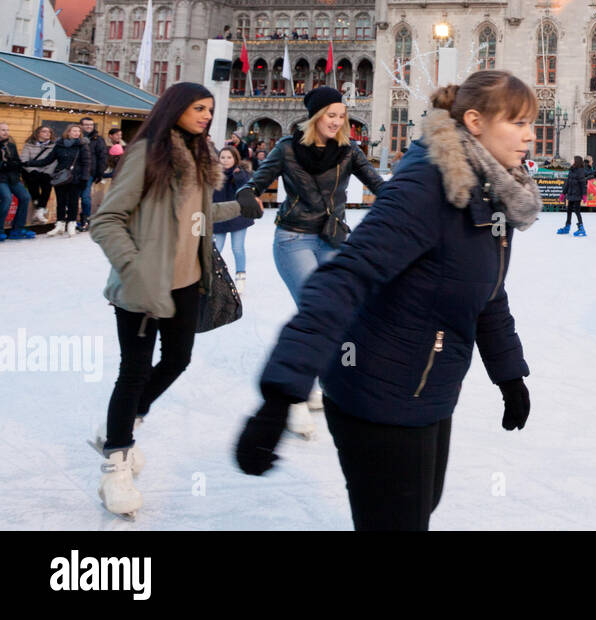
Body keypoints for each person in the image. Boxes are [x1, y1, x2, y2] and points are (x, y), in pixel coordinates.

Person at [234, 72, 542, 531]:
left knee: (416, 509)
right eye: (517, 122)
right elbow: (342, 278)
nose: (530, 135)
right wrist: (280, 394)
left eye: (531, 123)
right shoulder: (427, 188)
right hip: (377, 393)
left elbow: (486, 290)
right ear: (474, 121)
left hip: (428, 387)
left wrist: (509, 373)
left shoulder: (488, 185)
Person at [89, 82, 262, 518]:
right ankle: (116, 465)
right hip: (142, 286)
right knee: (133, 372)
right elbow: (107, 220)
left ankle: (120, 426)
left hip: (186, 281)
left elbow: (197, 217)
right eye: (198, 107)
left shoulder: (199, 157)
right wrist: (137, 269)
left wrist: (239, 208)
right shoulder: (148, 152)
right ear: (175, 108)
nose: (206, 115)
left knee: (178, 358)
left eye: (210, 108)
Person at [236, 86, 386, 437]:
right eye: (330, 115)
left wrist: (412, 197)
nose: (336, 121)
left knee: (341, 314)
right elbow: (256, 183)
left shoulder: (350, 152)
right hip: (294, 239)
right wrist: (246, 193)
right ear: (315, 117)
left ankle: (326, 382)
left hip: (333, 239)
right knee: (316, 313)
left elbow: (380, 185)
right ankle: (295, 397)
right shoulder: (286, 149)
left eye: (341, 115)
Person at [213, 146, 254, 293]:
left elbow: (247, 189)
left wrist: (239, 176)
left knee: (237, 248)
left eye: (229, 157)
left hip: (237, 215)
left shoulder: (242, 174)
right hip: (218, 216)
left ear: (235, 158)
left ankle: (240, 276)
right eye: (222, 157)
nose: (225, 161)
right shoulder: (214, 174)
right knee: (216, 248)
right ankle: (213, 276)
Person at [50, 124, 93, 237]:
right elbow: (49, 159)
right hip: (60, 177)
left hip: (76, 178)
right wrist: (29, 163)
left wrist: (84, 178)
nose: (76, 133)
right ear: (68, 132)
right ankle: (59, 225)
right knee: (61, 202)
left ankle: (71, 225)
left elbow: (86, 163)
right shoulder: (59, 145)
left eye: (78, 131)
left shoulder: (82, 145)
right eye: (74, 131)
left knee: (73, 202)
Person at [0, 123, 36, 240]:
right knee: (7, 198)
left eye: (7, 130)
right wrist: (6, 164)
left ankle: (17, 228)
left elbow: (16, 161)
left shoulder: (11, 145)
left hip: (13, 178)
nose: (5, 132)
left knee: (25, 197)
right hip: (1, 179)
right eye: (2, 130)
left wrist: (13, 165)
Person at [21, 125, 58, 225]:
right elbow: (24, 160)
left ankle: (40, 209)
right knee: (32, 181)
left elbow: (54, 161)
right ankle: (37, 204)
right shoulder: (29, 145)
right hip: (32, 171)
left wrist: (46, 172)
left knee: (47, 185)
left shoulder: (54, 146)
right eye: (44, 131)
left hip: (46, 171)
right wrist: (33, 170)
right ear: (38, 133)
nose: (47, 134)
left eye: (49, 132)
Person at [78, 116, 109, 233]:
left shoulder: (98, 139)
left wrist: (100, 172)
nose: (89, 127)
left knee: (85, 197)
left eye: (91, 125)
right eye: (86, 125)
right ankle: (69, 221)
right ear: (81, 126)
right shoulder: (76, 137)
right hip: (74, 173)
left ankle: (86, 220)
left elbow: (103, 156)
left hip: (90, 172)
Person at [556, 155, 589, 236]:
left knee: (577, 211)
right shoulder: (571, 170)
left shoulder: (580, 171)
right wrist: (563, 193)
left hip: (577, 195)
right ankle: (567, 227)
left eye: (572, 159)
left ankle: (581, 228)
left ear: (576, 161)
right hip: (570, 194)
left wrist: (584, 195)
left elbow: (583, 184)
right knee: (569, 210)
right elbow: (567, 183)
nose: (571, 161)